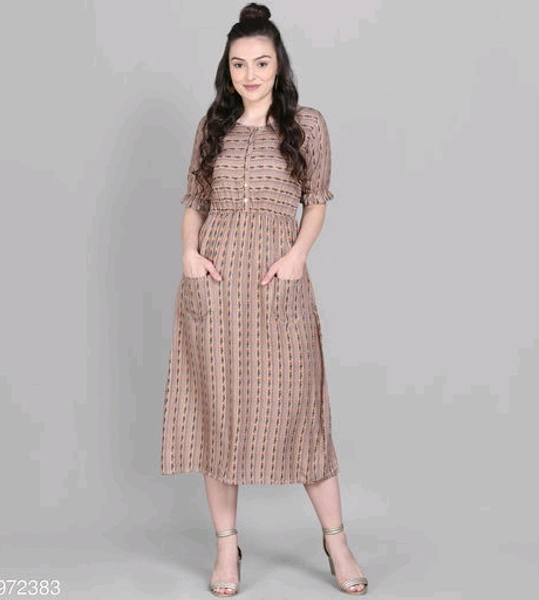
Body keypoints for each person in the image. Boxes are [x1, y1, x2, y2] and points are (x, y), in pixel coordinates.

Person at [160, 3, 368, 596]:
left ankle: (337, 542)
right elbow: (194, 201)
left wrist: (298, 255)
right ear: (226, 69)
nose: (250, 74)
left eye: (261, 62)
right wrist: (189, 254)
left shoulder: (307, 125)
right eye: (239, 64)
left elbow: (317, 199)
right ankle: (226, 548)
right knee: (217, 415)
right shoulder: (213, 127)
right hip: (215, 286)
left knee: (302, 414)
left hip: (277, 283)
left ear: (279, 66)